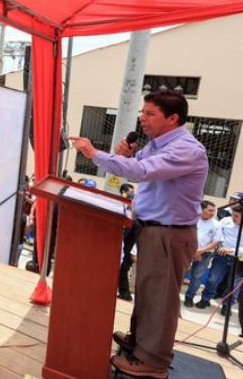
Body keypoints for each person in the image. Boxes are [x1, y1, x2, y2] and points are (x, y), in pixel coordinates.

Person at [70, 89, 208, 377]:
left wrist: (93, 153)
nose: (142, 118)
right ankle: (141, 343)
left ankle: (154, 362)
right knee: (147, 292)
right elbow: (137, 166)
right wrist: (127, 155)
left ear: (172, 118)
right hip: (153, 230)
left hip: (169, 234)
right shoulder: (157, 143)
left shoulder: (186, 149)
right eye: (142, 112)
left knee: (161, 299)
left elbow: (142, 172)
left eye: (149, 113)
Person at [195, 206, 241, 309]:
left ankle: (226, 306)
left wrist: (232, 250)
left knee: (233, 285)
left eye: (236, 216)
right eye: (233, 214)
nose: (233, 217)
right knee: (213, 279)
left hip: (239, 260)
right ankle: (205, 299)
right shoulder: (226, 221)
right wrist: (221, 245)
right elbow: (218, 234)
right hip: (222, 257)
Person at [183, 201, 221, 308]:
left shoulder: (216, 224)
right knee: (179, 274)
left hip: (204, 255)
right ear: (201, 209)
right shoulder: (191, 220)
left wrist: (199, 252)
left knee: (196, 277)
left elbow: (215, 242)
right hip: (186, 252)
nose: (213, 213)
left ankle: (189, 297)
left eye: (214, 210)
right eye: (210, 210)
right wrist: (192, 252)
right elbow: (185, 235)